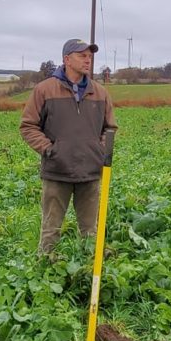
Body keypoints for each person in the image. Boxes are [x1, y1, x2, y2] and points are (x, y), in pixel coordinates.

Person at [19, 39, 117, 254]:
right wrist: (50, 150)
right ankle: (44, 273)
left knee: (90, 231)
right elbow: (28, 126)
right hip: (57, 172)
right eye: (82, 55)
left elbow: (110, 129)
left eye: (89, 56)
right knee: (50, 231)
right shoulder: (44, 90)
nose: (88, 60)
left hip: (90, 173)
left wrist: (99, 151)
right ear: (66, 59)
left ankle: (88, 273)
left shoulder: (100, 93)